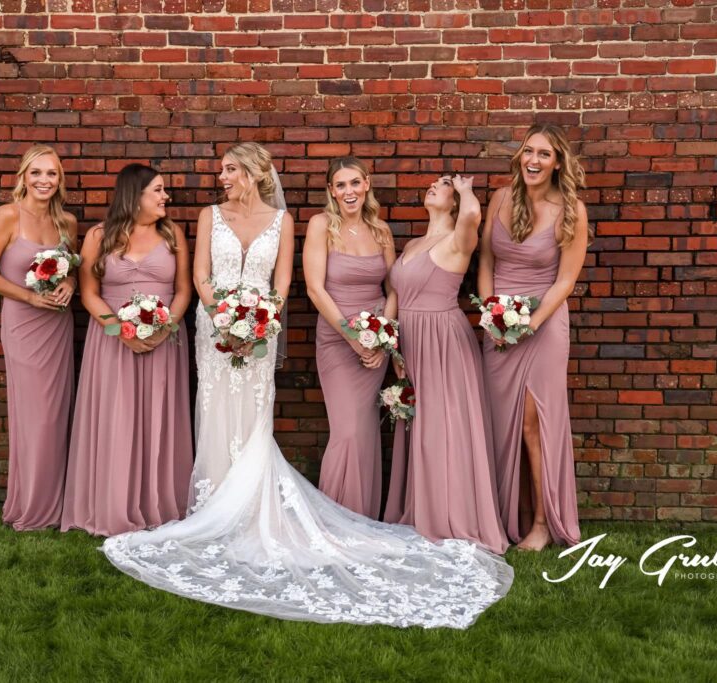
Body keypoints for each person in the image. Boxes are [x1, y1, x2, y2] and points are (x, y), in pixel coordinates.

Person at [102, 144, 513, 629]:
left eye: (230, 169)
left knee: (274, 424)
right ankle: (216, 509)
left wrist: (377, 333)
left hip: (293, 330)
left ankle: (347, 520)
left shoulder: (368, 231)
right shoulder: (226, 217)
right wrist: (229, 321)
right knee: (216, 414)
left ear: (254, 174)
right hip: (228, 329)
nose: (222, 177)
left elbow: (366, 290)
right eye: (340, 184)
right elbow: (206, 277)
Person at [61, 164, 193, 536]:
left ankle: (158, 505)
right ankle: (112, 505)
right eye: (158, 190)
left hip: (165, 341)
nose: (165, 197)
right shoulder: (99, 236)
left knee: (159, 420)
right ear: (135, 196)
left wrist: (164, 328)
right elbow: (89, 293)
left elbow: (184, 290)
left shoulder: (173, 235)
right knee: (116, 420)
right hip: (113, 342)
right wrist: (122, 331)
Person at [383, 175, 509, 555]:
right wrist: (392, 347)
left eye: (442, 185)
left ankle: (452, 513)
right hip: (413, 342)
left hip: (443, 342)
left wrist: (465, 186)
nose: (433, 187)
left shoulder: (459, 237)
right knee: (423, 425)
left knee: (446, 426)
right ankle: (422, 508)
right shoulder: (413, 244)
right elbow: (395, 294)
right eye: (433, 184)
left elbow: (473, 212)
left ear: (454, 201)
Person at [478, 123, 589, 551]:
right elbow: (486, 259)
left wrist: (528, 324)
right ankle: (506, 517)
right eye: (528, 151)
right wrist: (492, 314)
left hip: (542, 328)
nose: (534, 160)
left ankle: (543, 523)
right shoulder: (502, 199)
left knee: (532, 424)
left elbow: (565, 282)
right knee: (500, 423)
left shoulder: (572, 210)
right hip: (498, 327)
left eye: (544, 154)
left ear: (557, 162)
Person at [0, 144, 77, 530]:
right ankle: (30, 507)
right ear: (24, 177)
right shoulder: (8, 216)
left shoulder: (67, 222)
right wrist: (30, 296)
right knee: (34, 417)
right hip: (22, 323)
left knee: (55, 415)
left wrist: (69, 281)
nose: (44, 181)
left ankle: (55, 502)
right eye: (36, 173)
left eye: (51, 174)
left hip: (57, 327)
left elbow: (74, 266)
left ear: (59, 180)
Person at [303, 157, 397, 519]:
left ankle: (363, 517)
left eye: (355, 183)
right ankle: (335, 519)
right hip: (337, 340)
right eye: (340, 185)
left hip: (376, 344)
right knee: (346, 431)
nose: (349, 192)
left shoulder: (381, 231)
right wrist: (353, 338)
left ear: (367, 184)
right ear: (331, 191)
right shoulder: (321, 225)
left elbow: (393, 290)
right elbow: (315, 289)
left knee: (364, 430)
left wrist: (381, 338)